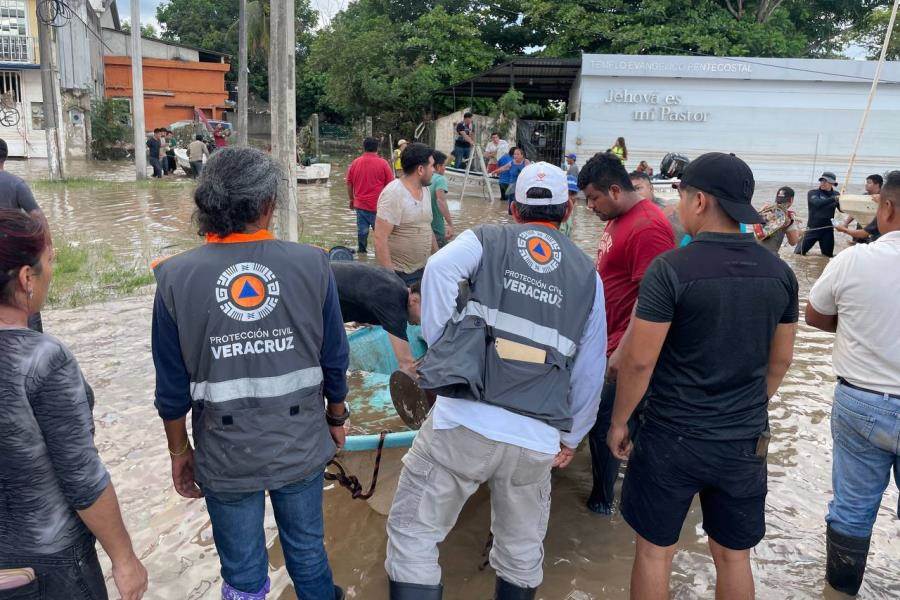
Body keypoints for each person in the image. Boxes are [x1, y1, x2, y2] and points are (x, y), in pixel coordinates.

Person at [387, 162, 606, 599]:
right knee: (521, 552)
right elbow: (591, 366)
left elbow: (438, 269)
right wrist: (572, 436)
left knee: (414, 535)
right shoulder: (589, 276)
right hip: (536, 437)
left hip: (464, 421)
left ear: (514, 209)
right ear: (567, 211)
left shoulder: (485, 239)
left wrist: (445, 348)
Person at [151, 147, 349, 600]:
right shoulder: (313, 263)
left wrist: (179, 451)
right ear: (267, 203)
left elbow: (171, 389)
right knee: (307, 553)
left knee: (242, 572)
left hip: (224, 452)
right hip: (299, 442)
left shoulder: (175, 277)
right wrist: (336, 417)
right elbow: (335, 358)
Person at [607, 153, 798, 600]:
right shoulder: (781, 274)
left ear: (700, 201)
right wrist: (746, 408)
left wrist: (619, 421)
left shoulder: (671, 269)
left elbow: (638, 362)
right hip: (744, 441)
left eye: (682, 197)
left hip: (671, 435)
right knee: (733, 556)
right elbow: (781, 361)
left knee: (655, 552)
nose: (677, 208)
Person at [0, 209, 148, 600]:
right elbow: (81, 476)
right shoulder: (43, 360)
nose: (52, 271)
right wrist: (124, 558)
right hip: (46, 565)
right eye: (49, 261)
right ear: (26, 278)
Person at [805, 170, 900, 597]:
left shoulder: (854, 260)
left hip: (861, 400)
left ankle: (840, 592)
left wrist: (858, 330)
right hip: (865, 398)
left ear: (887, 207)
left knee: (852, 511)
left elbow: (815, 315)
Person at [578, 153, 675, 515]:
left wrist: (622, 350)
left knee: (607, 422)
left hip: (624, 347)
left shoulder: (648, 227)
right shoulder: (618, 218)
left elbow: (652, 299)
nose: (590, 207)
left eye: (593, 198)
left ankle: (602, 504)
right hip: (607, 337)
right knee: (602, 421)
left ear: (615, 191)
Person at [331, 261, 422, 376]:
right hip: (316, 289)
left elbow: (362, 288)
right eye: (425, 313)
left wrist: (361, 317)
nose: (423, 322)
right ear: (414, 300)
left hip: (323, 278)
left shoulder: (397, 285)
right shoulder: (394, 301)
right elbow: (406, 364)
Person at [0, 138, 46, 331]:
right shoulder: (16, 184)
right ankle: (33, 338)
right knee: (23, 297)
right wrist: (46, 249)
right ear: (5, 157)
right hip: (12, 254)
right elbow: (38, 217)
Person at [374, 143, 435, 286]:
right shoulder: (394, 193)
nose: (434, 170)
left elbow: (426, 226)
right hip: (400, 274)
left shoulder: (425, 190)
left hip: (424, 269)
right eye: (432, 166)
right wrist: (392, 281)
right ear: (420, 169)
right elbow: (380, 239)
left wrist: (438, 256)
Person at [346, 137, 395, 254]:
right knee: (380, 236)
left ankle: (362, 254)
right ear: (377, 148)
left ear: (364, 147)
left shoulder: (355, 163)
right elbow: (391, 186)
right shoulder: (383, 163)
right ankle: (380, 257)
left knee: (362, 232)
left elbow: (349, 183)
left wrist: (352, 200)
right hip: (378, 207)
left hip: (360, 206)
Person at [630, 170, 691, 247]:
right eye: (631, 191)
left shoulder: (672, 208)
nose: (635, 194)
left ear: (651, 188)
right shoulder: (629, 215)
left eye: (638, 188)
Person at [799, 171, 841, 256]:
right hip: (812, 229)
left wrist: (845, 201)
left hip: (828, 231)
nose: (822, 183)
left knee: (828, 257)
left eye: (825, 181)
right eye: (821, 180)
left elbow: (842, 210)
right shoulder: (813, 193)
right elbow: (817, 203)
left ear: (832, 183)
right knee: (798, 254)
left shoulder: (837, 194)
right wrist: (834, 199)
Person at [836, 174, 883, 244]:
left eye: (869, 183)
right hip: (861, 227)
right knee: (857, 245)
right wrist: (846, 223)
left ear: (877, 185)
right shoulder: (864, 196)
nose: (866, 184)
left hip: (876, 228)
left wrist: (882, 200)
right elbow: (855, 211)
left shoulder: (884, 197)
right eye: (866, 182)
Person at [755, 186, 802, 254]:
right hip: (769, 255)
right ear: (791, 200)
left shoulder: (764, 209)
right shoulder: (788, 217)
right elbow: (793, 242)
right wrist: (799, 232)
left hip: (753, 251)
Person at [429, 150, 454, 247]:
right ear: (438, 166)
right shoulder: (440, 179)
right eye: (444, 165)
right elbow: (441, 201)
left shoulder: (424, 178)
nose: (445, 168)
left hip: (425, 229)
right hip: (436, 229)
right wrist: (450, 224)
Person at [493, 147, 529, 213]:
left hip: (522, 186)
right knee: (511, 204)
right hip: (512, 186)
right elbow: (503, 168)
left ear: (522, 155)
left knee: (520, 203)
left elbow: (531, 171)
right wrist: (494, 172)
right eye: (514, 154)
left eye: (518, 154)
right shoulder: (511, 163)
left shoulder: (526, 162)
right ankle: (511, 215)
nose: (515, 156)